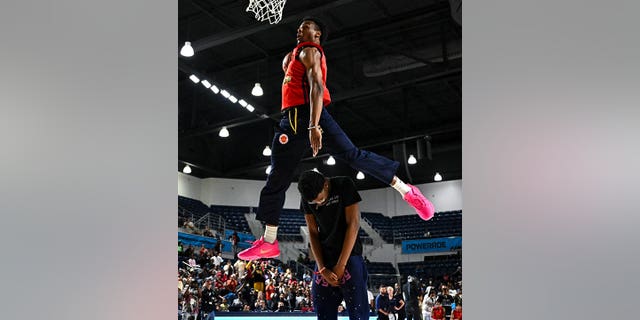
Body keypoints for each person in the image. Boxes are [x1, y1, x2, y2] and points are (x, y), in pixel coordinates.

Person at [238, 17, 435, 260]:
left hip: (304, 116)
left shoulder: (310, 51)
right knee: (288, 172)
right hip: (300, 116)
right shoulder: (295, 55)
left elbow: (316, 87)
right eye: (299, 28)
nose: (299, 29)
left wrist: (313, 125)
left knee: (290, 171)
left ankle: (407, 191)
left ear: (317, 34)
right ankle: (269, 241)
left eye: (306, 27)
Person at [296, 170, 371, 320]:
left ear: (325, 183)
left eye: (321, 199)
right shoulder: (308, 195)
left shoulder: (344, 184)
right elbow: (312, 232)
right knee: (322, 309)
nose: (318, 204)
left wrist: (341, 265)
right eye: (314, 202)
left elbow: (353, 224)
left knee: (358, 313)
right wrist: (322, 268)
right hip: (324, 259)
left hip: (350, 256)